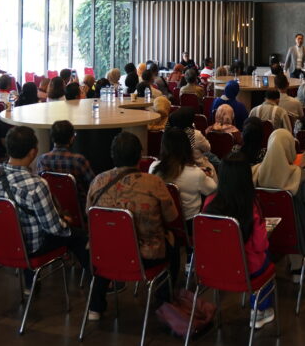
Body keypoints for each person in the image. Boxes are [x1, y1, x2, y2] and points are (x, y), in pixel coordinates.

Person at [85, 132, 179, 323]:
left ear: (112, 155)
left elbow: (90, 214)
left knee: (109, 244)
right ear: (139, 156)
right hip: (147, 257)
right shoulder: (154, 183)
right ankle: (164, 300)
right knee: (174, 244)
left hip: (105, 254)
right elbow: (172, 216)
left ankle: (95, 306)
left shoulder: (98, 181)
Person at [0, 127, 89, 287]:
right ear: (33, 152)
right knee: (79, 236)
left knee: (25, 223)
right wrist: (66, 222)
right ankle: (98, 284)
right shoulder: (36, 185)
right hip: (30, 248)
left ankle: (30, 286)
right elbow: (54, 228)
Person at [203, 153, 274, 328]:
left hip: (213, 267)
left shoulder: (209, 202)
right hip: (246, 269)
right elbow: (260, 245)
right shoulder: (251, 205)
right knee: (265, 259)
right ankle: (260, 310)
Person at [252, 129, 305, 280]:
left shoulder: (254, 173)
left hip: (265, 233)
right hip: (298, 236)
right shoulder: (300, 176)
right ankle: (297, 267)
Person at [152, 128, 217, 220]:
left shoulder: (153, 167)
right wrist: (208, 175)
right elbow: (213, 189)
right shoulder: (196, 174)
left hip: (163, 220)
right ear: (187, 147)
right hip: (190, 221)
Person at [34, 120, 95, 199]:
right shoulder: (78, 160)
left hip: (52, 203)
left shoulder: (42, 160)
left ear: (52, 137)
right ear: (71, 138)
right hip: (77, 203)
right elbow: (93, 185)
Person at [167, 108, 217, 173]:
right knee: (215, 162)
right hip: (197, 165)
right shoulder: (195, 134)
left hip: (176, 165)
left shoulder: (169, 134)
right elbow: (208, 148)